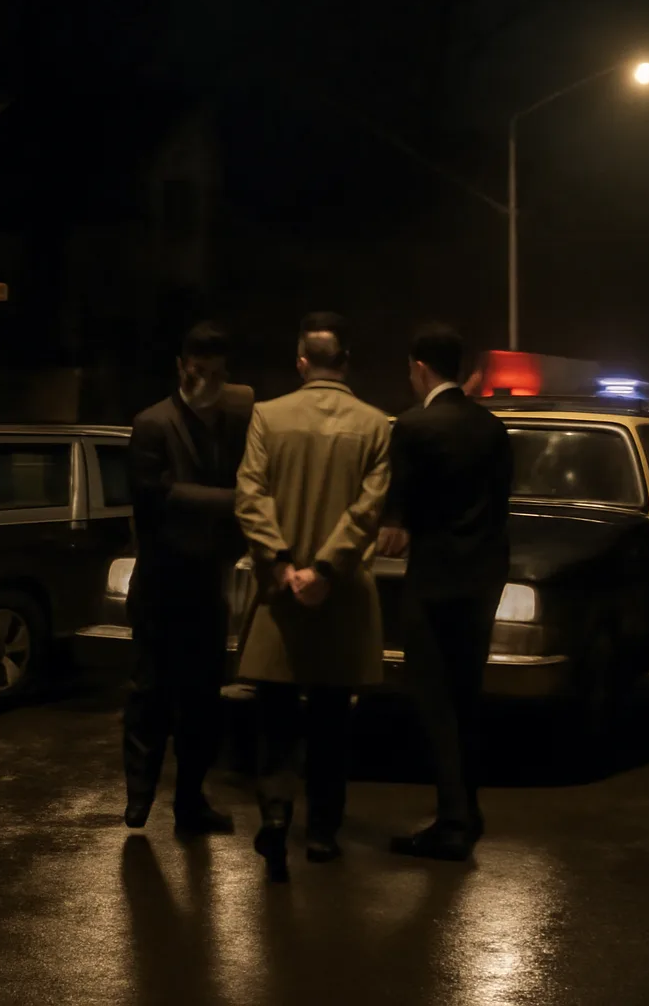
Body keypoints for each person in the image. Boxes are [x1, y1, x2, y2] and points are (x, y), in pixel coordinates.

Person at [235, 313, 391, 882]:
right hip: (341, 596)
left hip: (280, 598)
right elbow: (367, 510)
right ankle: (323, 834)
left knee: (275, 719)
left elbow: (250, 495)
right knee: (330, 724)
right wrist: (325, 569)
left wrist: (282, 564)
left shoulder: (268, 417)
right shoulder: (377, 426)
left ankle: (275, 817)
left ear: (301, 362)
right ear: (345, 362)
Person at [379, 323, 513, 861]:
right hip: (482, 579)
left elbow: (401, 515)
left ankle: (453, 822)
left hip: (433, 583)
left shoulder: (413, 427)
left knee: (435, 705)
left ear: (419, 367)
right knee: (466, 698)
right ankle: (469, 810)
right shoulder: (492, 428)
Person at [123, 322, 252, 834]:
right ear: (182, 368)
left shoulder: (228, 424)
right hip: (160, 583)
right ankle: (139, 796)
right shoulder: (153, 423)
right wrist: (231, 502)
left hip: (204, 582)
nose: (208, 382)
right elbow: (154, 495)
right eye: (200, 372)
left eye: (217, 374)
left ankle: (190, 800)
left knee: (201, 700)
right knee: (149, 692)